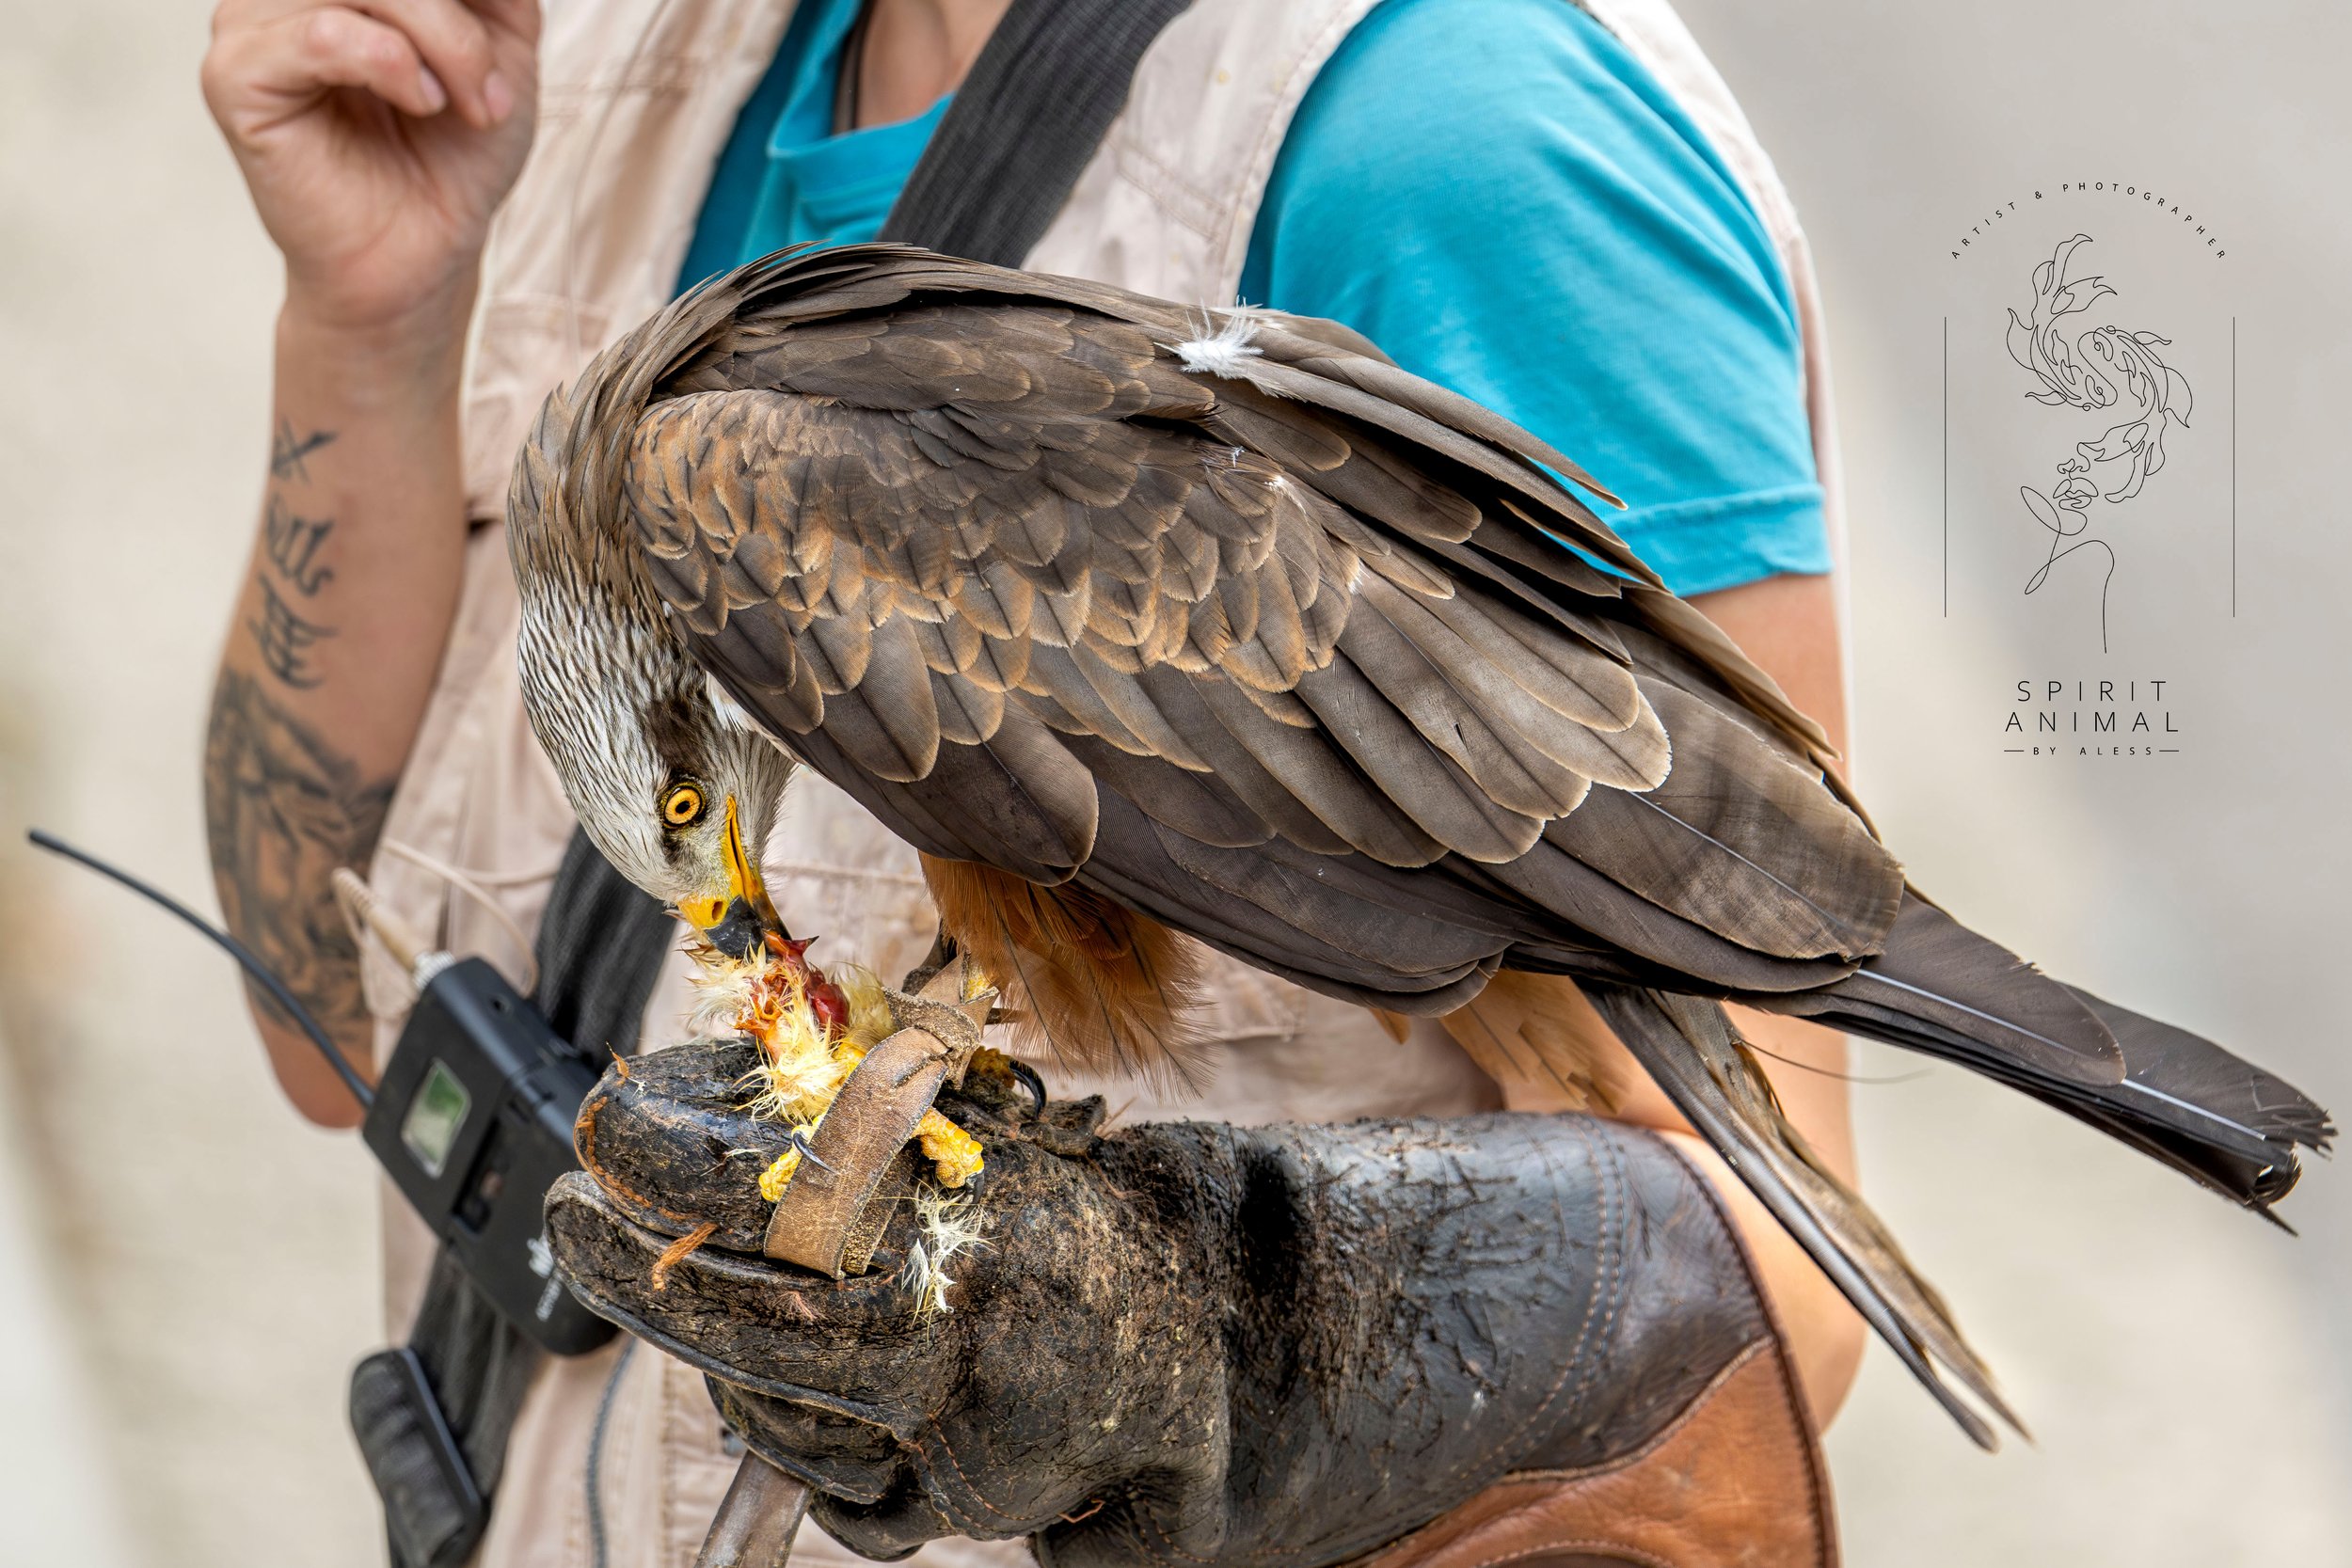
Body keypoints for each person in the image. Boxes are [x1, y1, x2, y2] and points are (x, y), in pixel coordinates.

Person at [199, 1, 1865, 1562]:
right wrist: (369, 321)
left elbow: (1775, 1273)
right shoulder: (605, 67)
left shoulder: (1461, 134)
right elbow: (329, 1034)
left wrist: (1184, 1331)